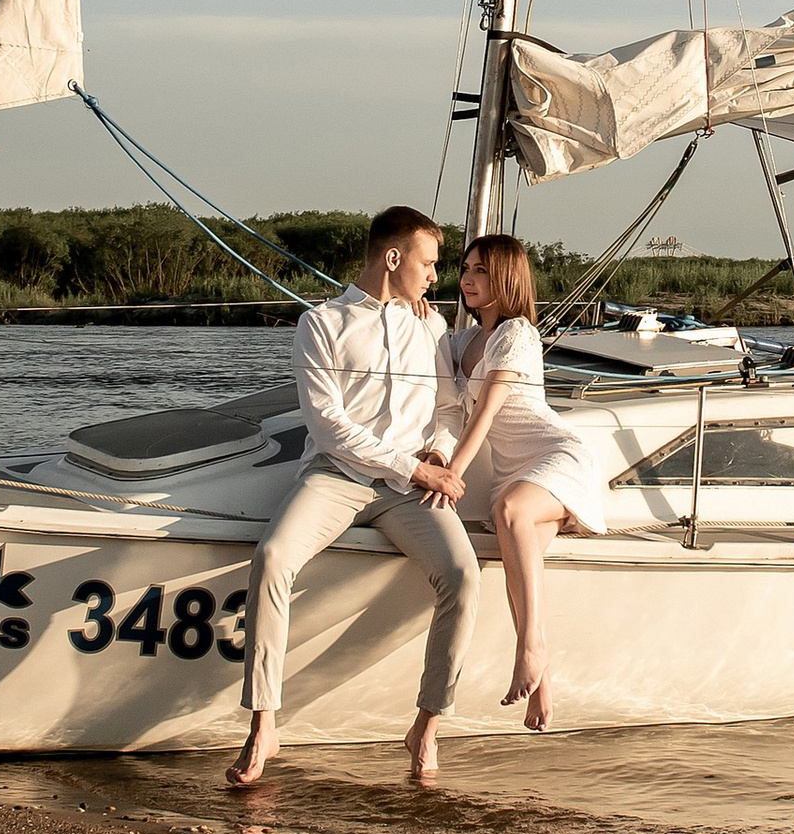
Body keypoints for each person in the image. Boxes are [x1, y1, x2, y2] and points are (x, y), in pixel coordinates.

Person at [228, 205, 475, 794]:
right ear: (394, 258)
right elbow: (329, 426)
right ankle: (264, 724)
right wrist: (414, 467)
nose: (435, 276)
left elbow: (447, 410)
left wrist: (437, 453)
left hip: (408, 489)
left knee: (463, 576)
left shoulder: (431, 327)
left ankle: (427, 725)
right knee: (273, 558)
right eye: (429, 263)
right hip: (338, 476)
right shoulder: (321, 324)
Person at [433, 230, 606, 731]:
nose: (467, 278)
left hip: (557, 456)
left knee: (507, 511)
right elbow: (449, 410)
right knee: (517, 572)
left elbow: (484, 413)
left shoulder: (517, 333)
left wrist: (451, 475)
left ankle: (530, 649)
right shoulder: (459, 340)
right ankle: (542, 683)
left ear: (506, 277)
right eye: (465, 269)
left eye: (481, 270)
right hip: (515, 474)